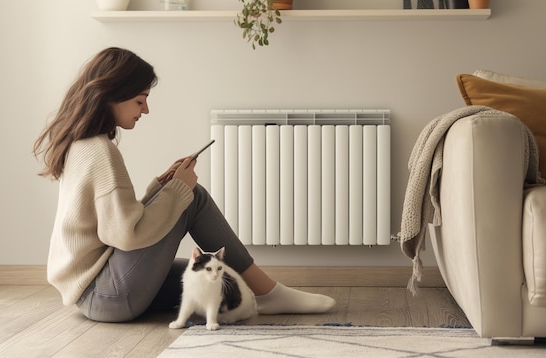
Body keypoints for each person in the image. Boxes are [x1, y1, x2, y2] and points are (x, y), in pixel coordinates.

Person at [33, 47, 336, 323]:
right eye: (140, 100)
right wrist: (179, 190)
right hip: (107, 295)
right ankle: (269, 294)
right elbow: (126, 234)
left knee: (213, 278)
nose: (146, 110)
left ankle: (259, 293)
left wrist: (161, 187)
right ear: (113, 93)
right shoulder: (100, 150)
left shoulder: (83, 145)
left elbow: (116, 222)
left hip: (99, 292)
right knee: (193, 196)